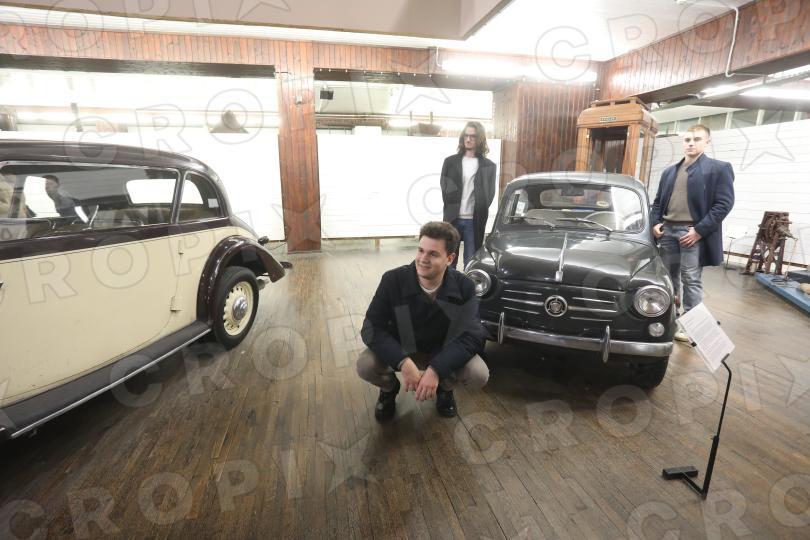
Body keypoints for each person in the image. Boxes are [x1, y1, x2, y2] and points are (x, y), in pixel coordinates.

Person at [357, 221, 489, 421]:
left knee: (478, 373)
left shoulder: (464, 287)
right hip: (402, 348)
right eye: (420, 250)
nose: (423, 259)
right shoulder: (392, 280)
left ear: (450, 259)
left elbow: (473, 336)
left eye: (433, 254)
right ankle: (389, 389)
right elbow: (371, 327)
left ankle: (445, 389)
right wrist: (402, 361)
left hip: (441, 351)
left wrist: (437, 369)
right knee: (365, 365)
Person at [651, 124, 734, 341]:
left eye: (697, 139)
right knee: (668, 279)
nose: (691, 143)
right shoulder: (669, 172)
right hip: (667, 232)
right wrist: (655, 223)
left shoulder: (719, 169)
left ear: (707, 142)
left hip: (691, 233)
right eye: (687, 139)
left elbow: (723, 205)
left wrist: (699, 230)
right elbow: (658, 202)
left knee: (691, 280)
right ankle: (671, 321)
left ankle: (693, 329)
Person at [440, 121, 497, 269]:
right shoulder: (450, 162)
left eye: (473, 136)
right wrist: (451, 207)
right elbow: (444, 187)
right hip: (453, 218)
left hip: (474, 220)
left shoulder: (489, 166)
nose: (468, 139)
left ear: (480, 139)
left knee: (471, 262)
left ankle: (468, 284)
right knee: (449, 260)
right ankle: (449, 283)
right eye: (466, 135)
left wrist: (480, 207)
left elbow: (490, 193)